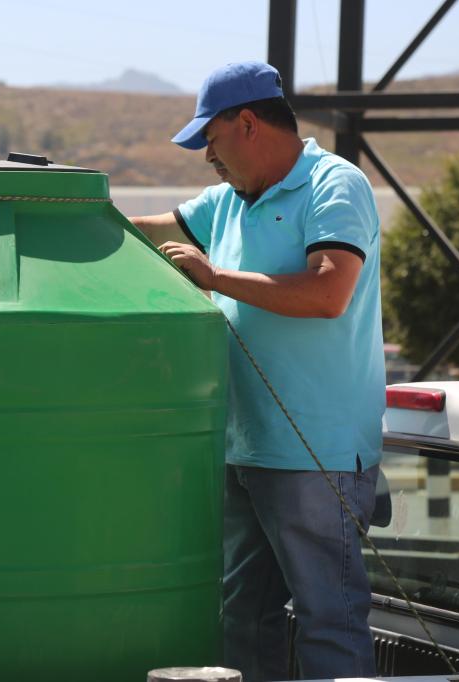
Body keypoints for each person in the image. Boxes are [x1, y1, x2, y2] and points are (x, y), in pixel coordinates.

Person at [129, 61, 385, 681]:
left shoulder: (335, 184)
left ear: (247, 123)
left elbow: (328, 293)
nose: (207, 158)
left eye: (210, 140)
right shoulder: (226, 203)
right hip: (247, 449)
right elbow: (144, 233)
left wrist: (215, 278)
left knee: (330, 620)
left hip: (315, 454)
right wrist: (60, 211)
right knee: (244, 618)